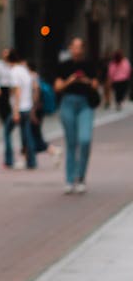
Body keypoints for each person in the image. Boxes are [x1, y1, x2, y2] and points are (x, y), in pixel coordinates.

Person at [54, 37, 99, 194]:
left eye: (80, 47)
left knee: (85, 140)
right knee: (71, 142)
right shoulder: (64, 66)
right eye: (74, 47)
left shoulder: (89, 65)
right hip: (68, 104)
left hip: (85, 104)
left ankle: (81, 177)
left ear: (83, 49)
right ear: (70, 48)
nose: (77, 50)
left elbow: (95, 84)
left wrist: (85, 80)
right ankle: (69, 179)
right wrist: (70, 81)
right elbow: (57, 87)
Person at [3, 50, 36, 169]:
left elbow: (17, 91)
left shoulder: (14, 72)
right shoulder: (24, 70)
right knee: (27, 134)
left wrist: (15, 111)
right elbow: (32, 87)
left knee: (7, 132)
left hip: (19, 107)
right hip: (27, 106)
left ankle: (9, 160)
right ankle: (31, 161)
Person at [28, 60, 61, 165]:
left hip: (35, 109)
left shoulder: (32, 77)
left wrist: (33, 111)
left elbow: (36, 91)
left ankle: (53, 150)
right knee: (33, 134)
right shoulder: (36, 77)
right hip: (38, 109)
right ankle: (28, 158)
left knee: (34, 135)